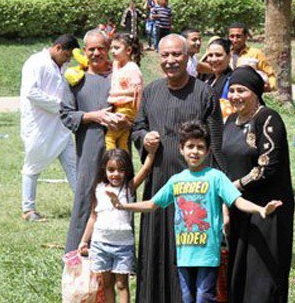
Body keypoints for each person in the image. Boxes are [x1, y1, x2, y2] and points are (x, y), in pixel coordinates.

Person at [114, 120, 282, 303]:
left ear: (208, 151)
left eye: (200, 147)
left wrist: (261, 210)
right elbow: (152, 204)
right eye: (190, 146)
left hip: (208, 253)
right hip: (184, 253)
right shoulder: (176, 180)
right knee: (187, 298)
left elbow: (237, 201)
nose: (195, 151)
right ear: (181, 149)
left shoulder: (216, 177)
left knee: (204, 297)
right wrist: (123, 206)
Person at [131, 34, 226, 303]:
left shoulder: (204, 93)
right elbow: (137, 128)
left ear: (188, 57)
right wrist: (144, 138)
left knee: (192, 253)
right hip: (160, 180)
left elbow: (216, 145)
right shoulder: (150, 92)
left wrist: (220, 195)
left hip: (196, 190)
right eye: (165, 55)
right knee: (158, 247)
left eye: (177, 55)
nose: (170, 60)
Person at [221, 66, 295, 303]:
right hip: (237, 206)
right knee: (239, 267)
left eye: (241, 90)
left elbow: (267, 166)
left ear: (255, 92)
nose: (234, 96)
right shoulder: (231, 120)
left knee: (262, 273)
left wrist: (235, 186)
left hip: (266, 209)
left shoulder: (268, 118)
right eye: (231, 90)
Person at [61, 29, 132, 254]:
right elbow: (66, 113)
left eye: (101, 48)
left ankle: (121, 255)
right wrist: (94, 116)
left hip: (118, 150)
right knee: (86, 197)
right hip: (89, 148)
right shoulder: (76, 80)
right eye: (91, 49)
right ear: (84, 51)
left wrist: (125, 120)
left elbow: (136, 109)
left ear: (108, 49)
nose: (96, 53)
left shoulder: (120, 75)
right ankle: (76, 252)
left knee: (120, 197)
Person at [78, 148, 156, 303]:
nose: (116, 174)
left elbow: (146, 169)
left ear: (127, 171)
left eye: (121, 170)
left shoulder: (128, 189)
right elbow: (93, 217)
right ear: (104, 169)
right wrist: (84, 240)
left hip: (123, 246)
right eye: (111, 170)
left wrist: (152, 152)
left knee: (121, 284)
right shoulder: (98, 190)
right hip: (100, 244)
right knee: (107, 284)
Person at [20, 35, 79, 222]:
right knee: (32, 167)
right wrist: (59, 105)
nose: (68, 60)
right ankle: (28, 210)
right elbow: (31, 92)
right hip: (40, 126)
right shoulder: (36, 63)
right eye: (67, 55)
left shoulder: (63, 67)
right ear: (58, 48)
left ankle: (84, 205)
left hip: (61, 126)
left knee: (73, 166)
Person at [106, 33, 144, 152]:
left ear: (128, 50)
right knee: (123, 140)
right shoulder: (116, 64)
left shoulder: (132, 68)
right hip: (118, 107)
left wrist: (137, 115)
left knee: (109, 138)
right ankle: (124, 162)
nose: (112, 51)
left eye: (117, 48)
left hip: (127, 108)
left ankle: (111, 159)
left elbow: (138, 92)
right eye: (111, 48)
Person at [228, 22, 277, 91]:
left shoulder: (255, 53)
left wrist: (270, 86)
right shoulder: (225, 54)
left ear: (246, 37)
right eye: (232, 36)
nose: (235, 40)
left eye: (238, 36)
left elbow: (270, 75)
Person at [203, 38, 234, 120]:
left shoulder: (233, 81)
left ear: (229, 56)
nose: (213, 59)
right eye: (210, 55)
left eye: (218, 55)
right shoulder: (208, 79)